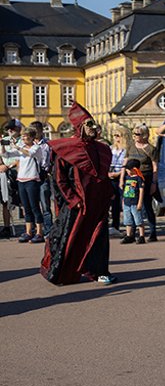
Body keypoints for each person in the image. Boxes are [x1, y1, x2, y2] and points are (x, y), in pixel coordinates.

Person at [40, 103, 116, 285]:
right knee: (71, 239)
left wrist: (109, 194)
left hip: (98, 203)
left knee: (98, 239)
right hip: (78, 205)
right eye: (89, 124)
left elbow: (103, 177)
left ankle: (99, 271)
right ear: (80, 126)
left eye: (94, 124)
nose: (94, 128)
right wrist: (74, 200)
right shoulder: (66, 149)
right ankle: (64, 273)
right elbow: (60, 180)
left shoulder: (102, 149)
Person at [125, 124, 159, 242]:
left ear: (145, 135)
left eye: (137, 134)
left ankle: (152, 232)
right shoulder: (130, 147)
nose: (135, 136)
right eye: (133, 133)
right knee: (131, 205)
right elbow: (126, 162)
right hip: (131, 179)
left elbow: (155, 166)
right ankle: (131, 234)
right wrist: (122, 179)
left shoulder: (151, 149)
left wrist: (154, 183)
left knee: (147, 205)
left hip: (146, 178)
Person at [13, 126, 45, 243]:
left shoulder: (36, 148)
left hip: (32, 180)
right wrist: (3, 146)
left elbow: (29, 154)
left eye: (25, 137)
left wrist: (18, 147)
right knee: (26, 208)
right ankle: (28, 232)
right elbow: (9, 156)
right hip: (21, 180)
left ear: (31, 138)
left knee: (34, 207)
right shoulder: (21, 148)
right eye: (22, 137)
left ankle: (39, 232)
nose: (23, 139)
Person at [29, 121, 53, 231]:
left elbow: (52, 160)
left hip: (43, 175)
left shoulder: (48, 144)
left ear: (41, 131)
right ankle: (34, 229)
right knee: (32, 205)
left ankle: (48, 229)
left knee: (45, 205)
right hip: (31, 175)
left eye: (35, 131)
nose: (33, 133)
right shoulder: (28, 145)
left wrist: (49, 170)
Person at [1, 120, 23, 239]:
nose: (10, 131)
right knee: (5, 200)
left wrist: (9, 166)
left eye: (12, 128)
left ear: (19, 129)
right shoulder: (4, 140)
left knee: (22, 200)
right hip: (5, 172)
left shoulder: (23, 141)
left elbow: (22, 157)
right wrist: (1, 165)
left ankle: (32, 226)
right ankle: (7, 227)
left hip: (18, 171)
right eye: (8, 128)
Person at [120, 159, 146, 245]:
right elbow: (125, 191)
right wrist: (123, 201)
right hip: (127, 202)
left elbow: (141, 191)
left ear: (134, 169)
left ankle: (141, 236)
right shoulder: (127, 178)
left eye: (128, 169)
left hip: (135, 203)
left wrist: (140, 203)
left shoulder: (139, 179)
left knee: (138, 220)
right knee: (128, 221)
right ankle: (129, 235)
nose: (126, 171)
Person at [108, 125, 127, 237]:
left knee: (125, 202)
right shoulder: (111, 149)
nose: (116, 138)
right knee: (114, 203)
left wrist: (118, 174)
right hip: (111, 178)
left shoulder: (126, 150)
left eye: (118, 135)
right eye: (114, 135)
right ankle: (115, 226)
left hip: (122, 177)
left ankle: (129, 225)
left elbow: (126, 164)